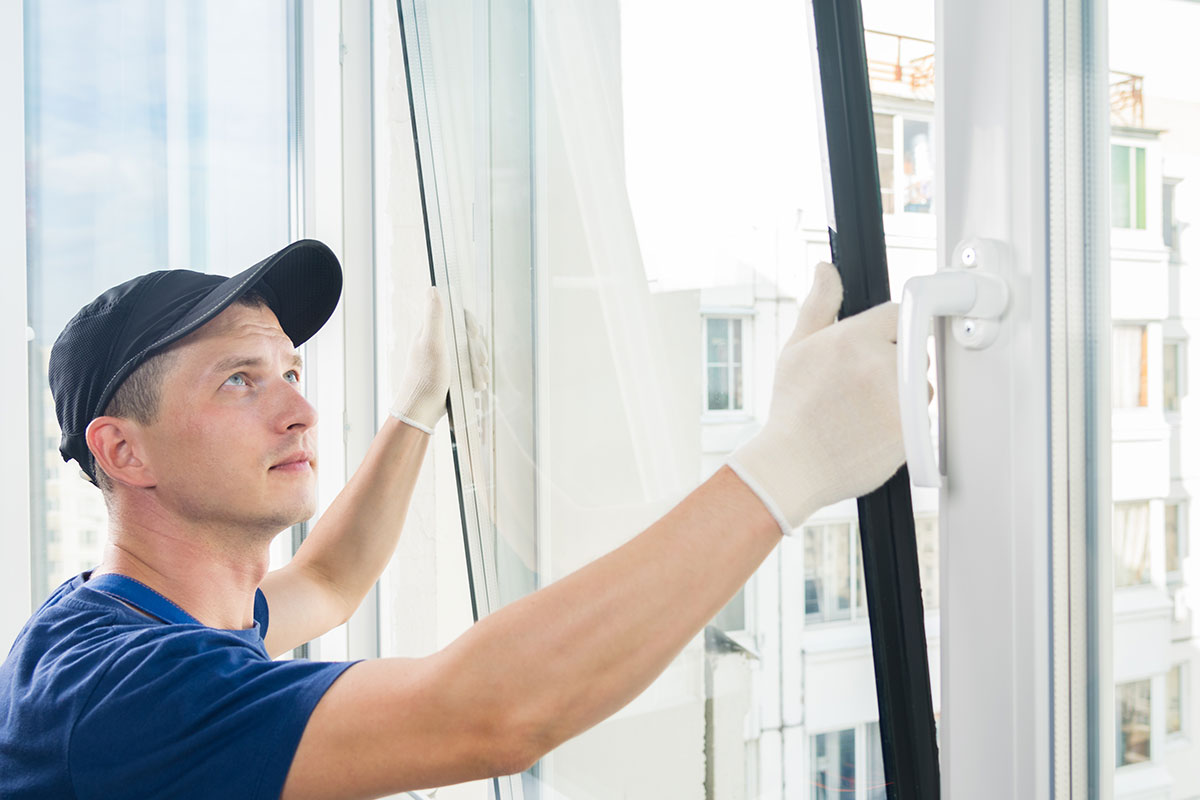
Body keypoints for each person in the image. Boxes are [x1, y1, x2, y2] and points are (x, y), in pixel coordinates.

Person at [0, 239, 904, 799]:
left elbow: (328, 578)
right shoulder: (121, 696)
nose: (299, 412)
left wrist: (416, 407)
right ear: (124, 453)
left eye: (292, 374)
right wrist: (789, 464)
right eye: (240, 380)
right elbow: (490, 713)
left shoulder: (136, 619)